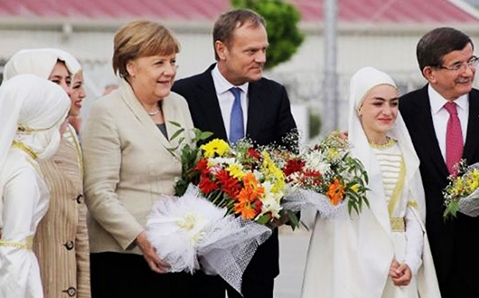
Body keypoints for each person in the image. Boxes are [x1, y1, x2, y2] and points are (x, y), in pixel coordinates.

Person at [172, 9, 297, 298]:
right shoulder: (183, 95)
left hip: (258, 250)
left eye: (264, 49)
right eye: (251, 50)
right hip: (201, 249)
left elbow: (289, 159)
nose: (262, 58)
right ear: (222, 49)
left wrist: (283, 208)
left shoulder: (274, 94)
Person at [301, 67, 440, 298]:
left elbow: (413, 215)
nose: (388, 111)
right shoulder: (340, 156)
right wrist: (380, 262)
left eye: (394, 103)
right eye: (378, 103)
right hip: (352, 264)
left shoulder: (405, 153)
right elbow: (338, 225)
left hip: (399, 264)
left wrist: (411, 261)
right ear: (359, 107)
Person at [81, 20, 194, 298]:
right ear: (131, 67)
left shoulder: (179, 103)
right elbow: (98, 192)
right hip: (124, 257)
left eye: (172, 61)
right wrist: (141, 238)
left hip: (177, 251)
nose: (169, 71)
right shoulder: (106, 111)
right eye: (159, 63)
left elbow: (191, 172)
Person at [399, 27, 479, 298]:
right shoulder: (403, 113)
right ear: (429, 73)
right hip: (423, 250)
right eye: (457, 65)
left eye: (471, 61)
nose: (468, 72)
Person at [3, 48, 91, 298]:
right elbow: (12, 248)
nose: (67, 90)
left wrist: (82, 286)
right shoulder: (13, 151)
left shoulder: (68, 138)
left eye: (68, 82)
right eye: (55, 81)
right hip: (26, 282)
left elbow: (78, 217)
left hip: (65, 278)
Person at [0, 74, 71, 298]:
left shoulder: (12, 158)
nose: (64, 127)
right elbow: (13, 250)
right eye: (60, 120)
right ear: (42, 123)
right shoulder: (22, 171)